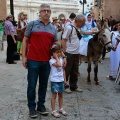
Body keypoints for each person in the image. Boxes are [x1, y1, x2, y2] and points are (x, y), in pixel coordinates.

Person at [22, 3, 66, 118]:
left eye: (48, 11)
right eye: (44, 10)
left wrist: (63, 56)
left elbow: (56, 45)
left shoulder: (53, 28)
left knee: (43, 85)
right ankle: (32, 108)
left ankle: (40, 106)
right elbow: (25, 40)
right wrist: (23, 57)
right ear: (40, 13)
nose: (46, 12)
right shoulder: (32, 24)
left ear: (50, 13)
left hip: (46, 62)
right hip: (33, 60)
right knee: (31, 85)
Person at [62, 14, 86, 93]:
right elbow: (64, 40)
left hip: (76, 53)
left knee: (75, 70)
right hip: (69, 52)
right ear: (78, 21)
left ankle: (73, 86)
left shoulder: (78, 28)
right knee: (67, 70)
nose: (83, 24)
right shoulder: (69, 28)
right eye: (83, 23)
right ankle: (65, 86)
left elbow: (85, 33)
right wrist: (64, 53)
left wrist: (94, 32)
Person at [49, 43, 67, 118]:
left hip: (61, 80)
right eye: (57, 52)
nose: (59, 54)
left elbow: (63, 70)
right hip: (54, 81)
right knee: (54, 96)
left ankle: (61, 108)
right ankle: (53, 110)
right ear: (53, 53)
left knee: (61, 95)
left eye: (59, 52)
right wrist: (56, 57)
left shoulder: (61, 59)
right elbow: (59, 65)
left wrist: (65, 80)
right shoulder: (51, 61)